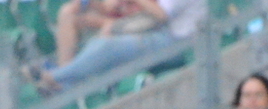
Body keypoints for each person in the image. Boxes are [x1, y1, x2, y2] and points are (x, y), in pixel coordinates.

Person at [25, 0, 206, 94]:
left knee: (107, 45)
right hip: (155, 32)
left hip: (180, 44)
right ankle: (63, 80)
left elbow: (161, 15)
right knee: (88, 30)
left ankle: (57, 77)